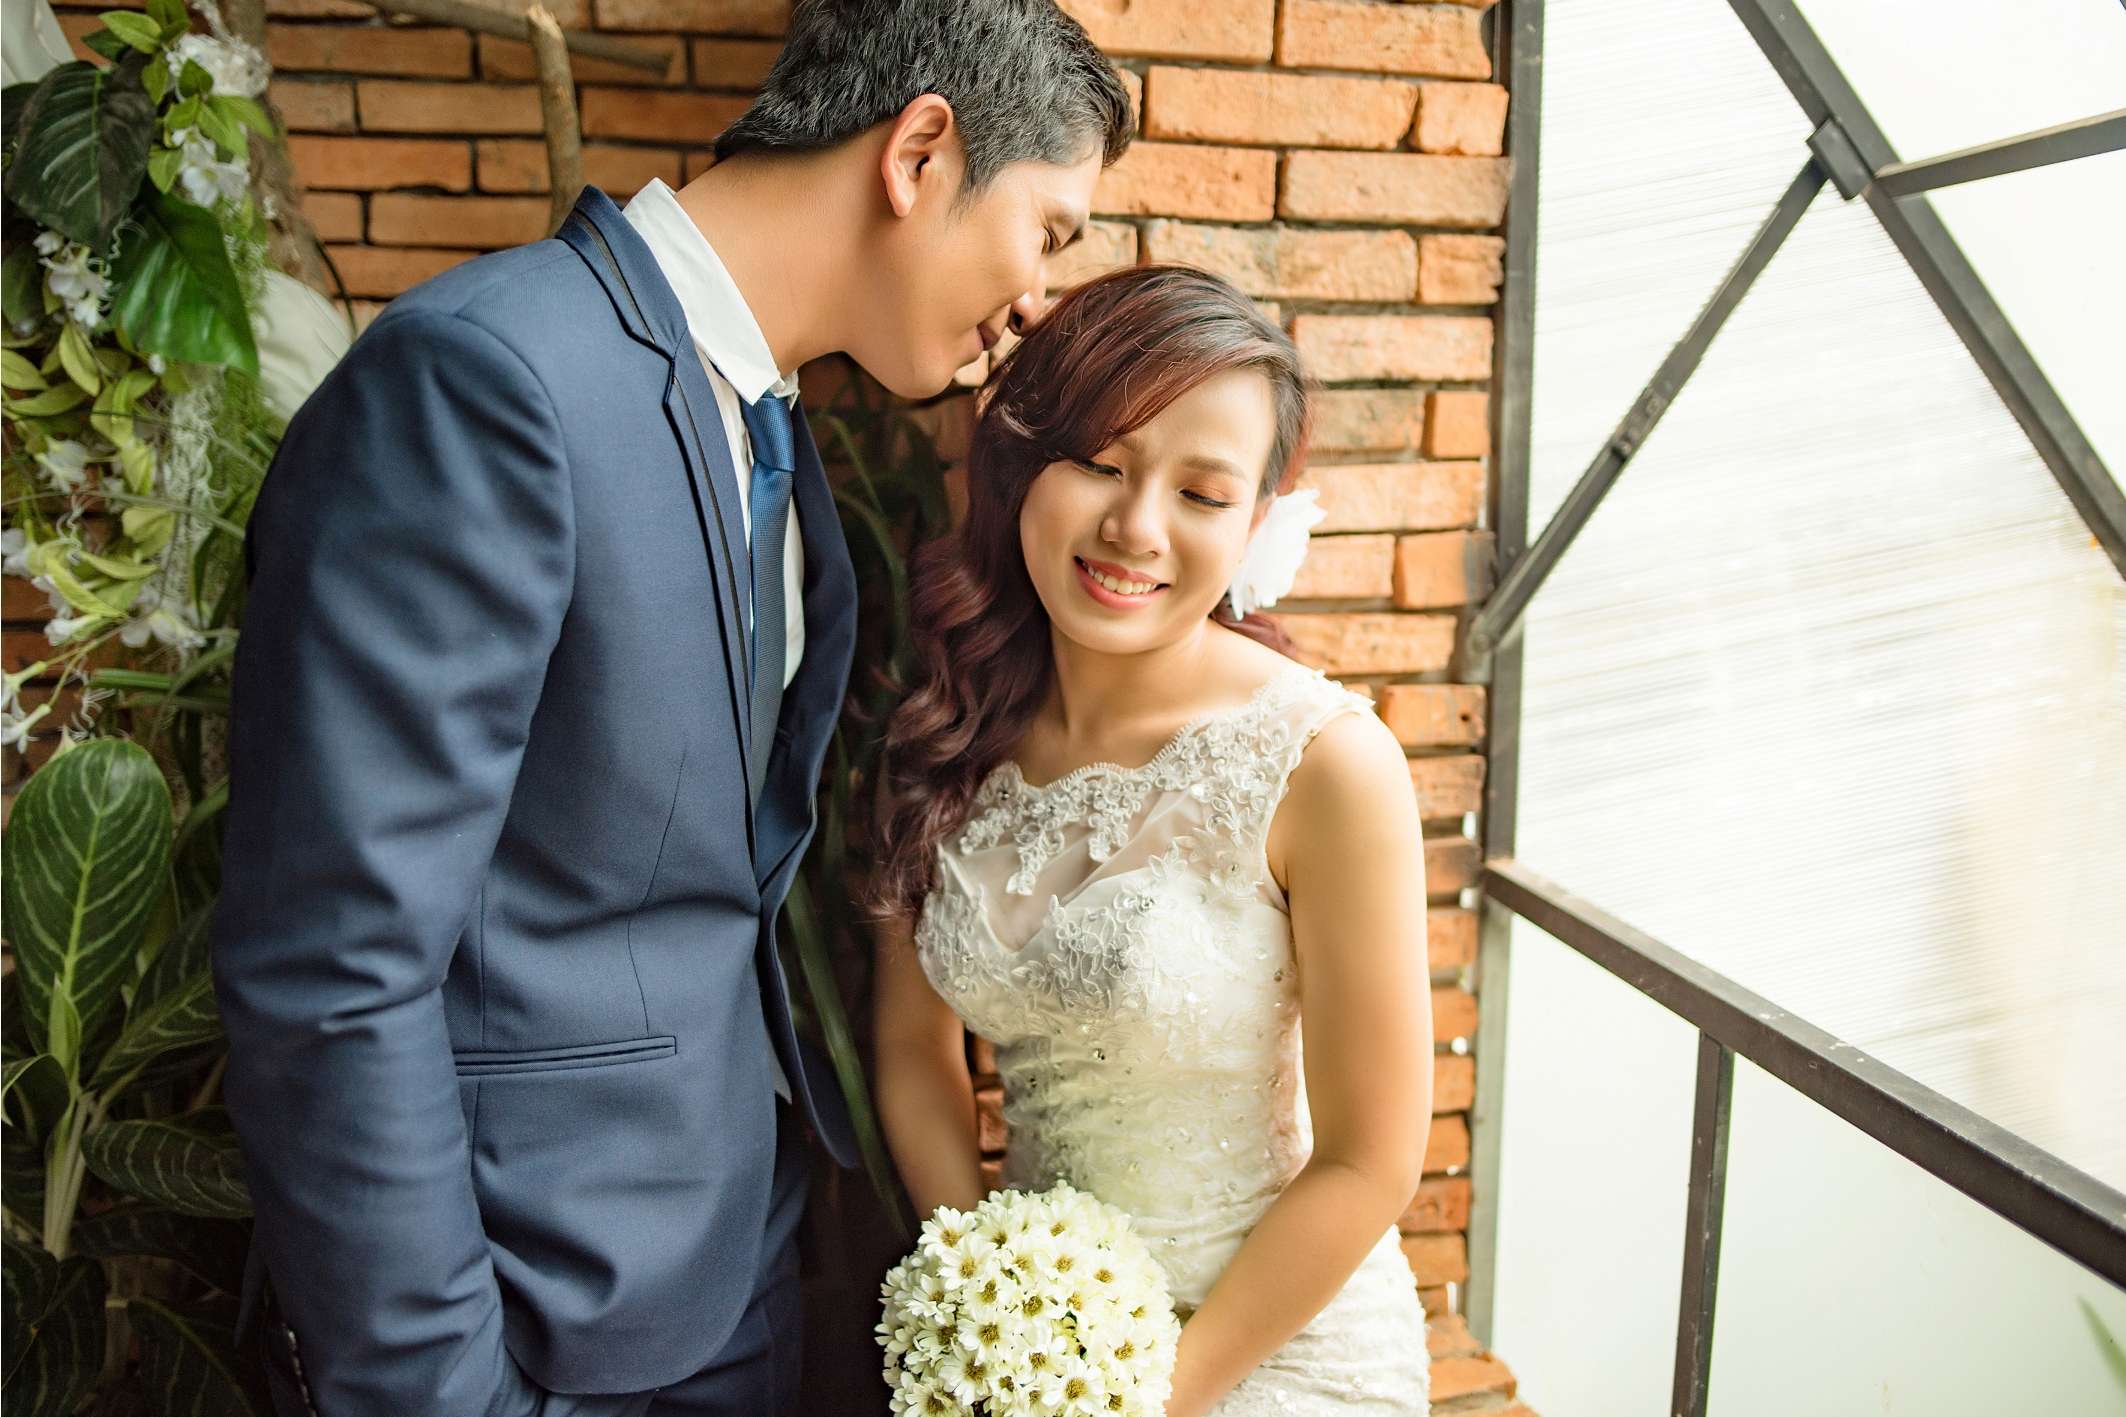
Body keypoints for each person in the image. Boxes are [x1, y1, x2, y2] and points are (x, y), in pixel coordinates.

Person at [207, 2, 1131, 1412]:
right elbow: (336, 966)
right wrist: (440, 1389)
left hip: (731, 1280)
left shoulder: (770, 430)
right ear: (919, 154)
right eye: (1048, 232)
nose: (1034, 299)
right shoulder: (493, 378)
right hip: (532, 1328)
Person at [870, 265, 1437, 1415]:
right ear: (1022, 463)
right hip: (1046, 1353)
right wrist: (988, 1315)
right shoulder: (942, 733)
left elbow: (1369, 1158)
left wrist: (1143, 1399)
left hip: (1282, 1347)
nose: (1135, 527)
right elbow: (914, 1055)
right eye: (1100, 462)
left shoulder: (1324, 764)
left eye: (1201, 492)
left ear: (1254, 524)